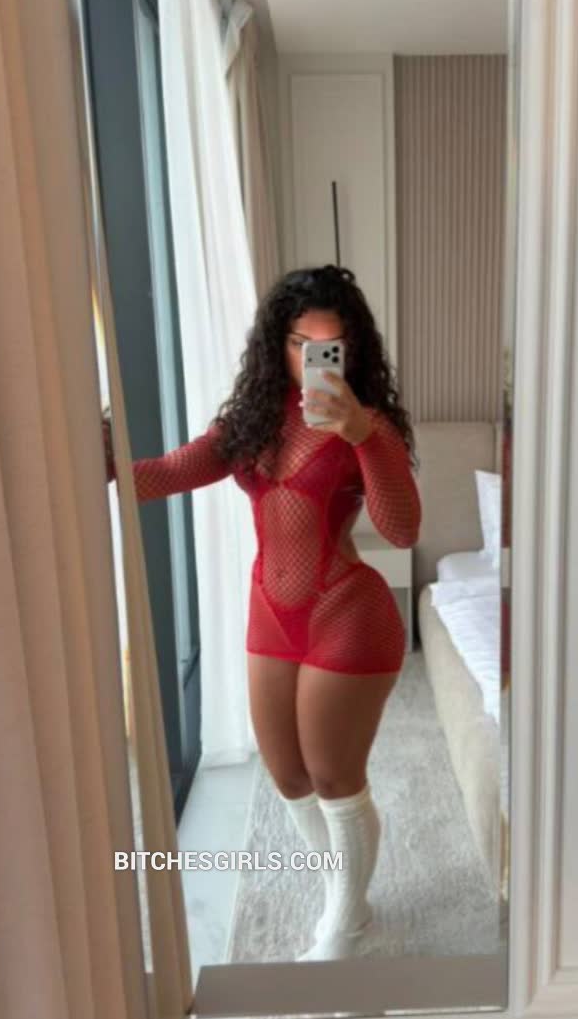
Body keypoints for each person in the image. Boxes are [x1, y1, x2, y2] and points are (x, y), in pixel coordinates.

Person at [102, 264, 421, 961]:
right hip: (269, 614)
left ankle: (346, 924)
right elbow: (176, 470)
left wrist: (363, 434)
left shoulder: (371, 424)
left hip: (347, 611)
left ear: (352, 349)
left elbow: (402, 531)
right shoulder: (251, 417)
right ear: (277, 342)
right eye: (302, 344)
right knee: (289, 777)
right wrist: (105, 462)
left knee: (334, 777)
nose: (314, 359)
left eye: (331, 346)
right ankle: (344, 888)